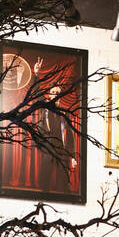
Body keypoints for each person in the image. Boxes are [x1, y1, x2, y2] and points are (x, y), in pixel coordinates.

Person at [32, 57, 77, 197]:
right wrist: (36, 75)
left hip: (61, 151)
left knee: (65, 184)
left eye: (58, 93)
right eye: (53, 93)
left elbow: (71, 137)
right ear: (50, 95)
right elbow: (36, 93)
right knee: (44, 183)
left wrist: (73, 157)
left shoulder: (65, 113)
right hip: (48, 149)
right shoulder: (44, 107)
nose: (56, 95)